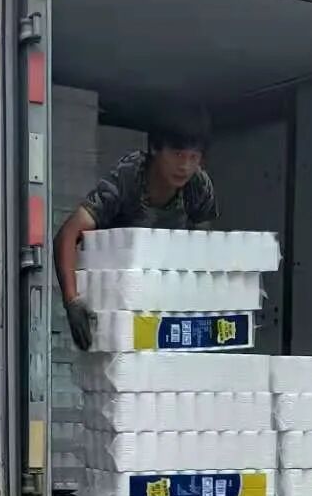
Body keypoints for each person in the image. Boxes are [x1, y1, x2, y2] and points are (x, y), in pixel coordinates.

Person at [55, 107, 216, 350]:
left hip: (167, 293)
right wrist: (72, 301)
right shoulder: (128, 178)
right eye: (177, 154)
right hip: (116, 295)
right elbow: (67, 234)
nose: (185, 166)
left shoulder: (198, 186)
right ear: (155, 148)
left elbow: (205, 247)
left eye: (193, 158)